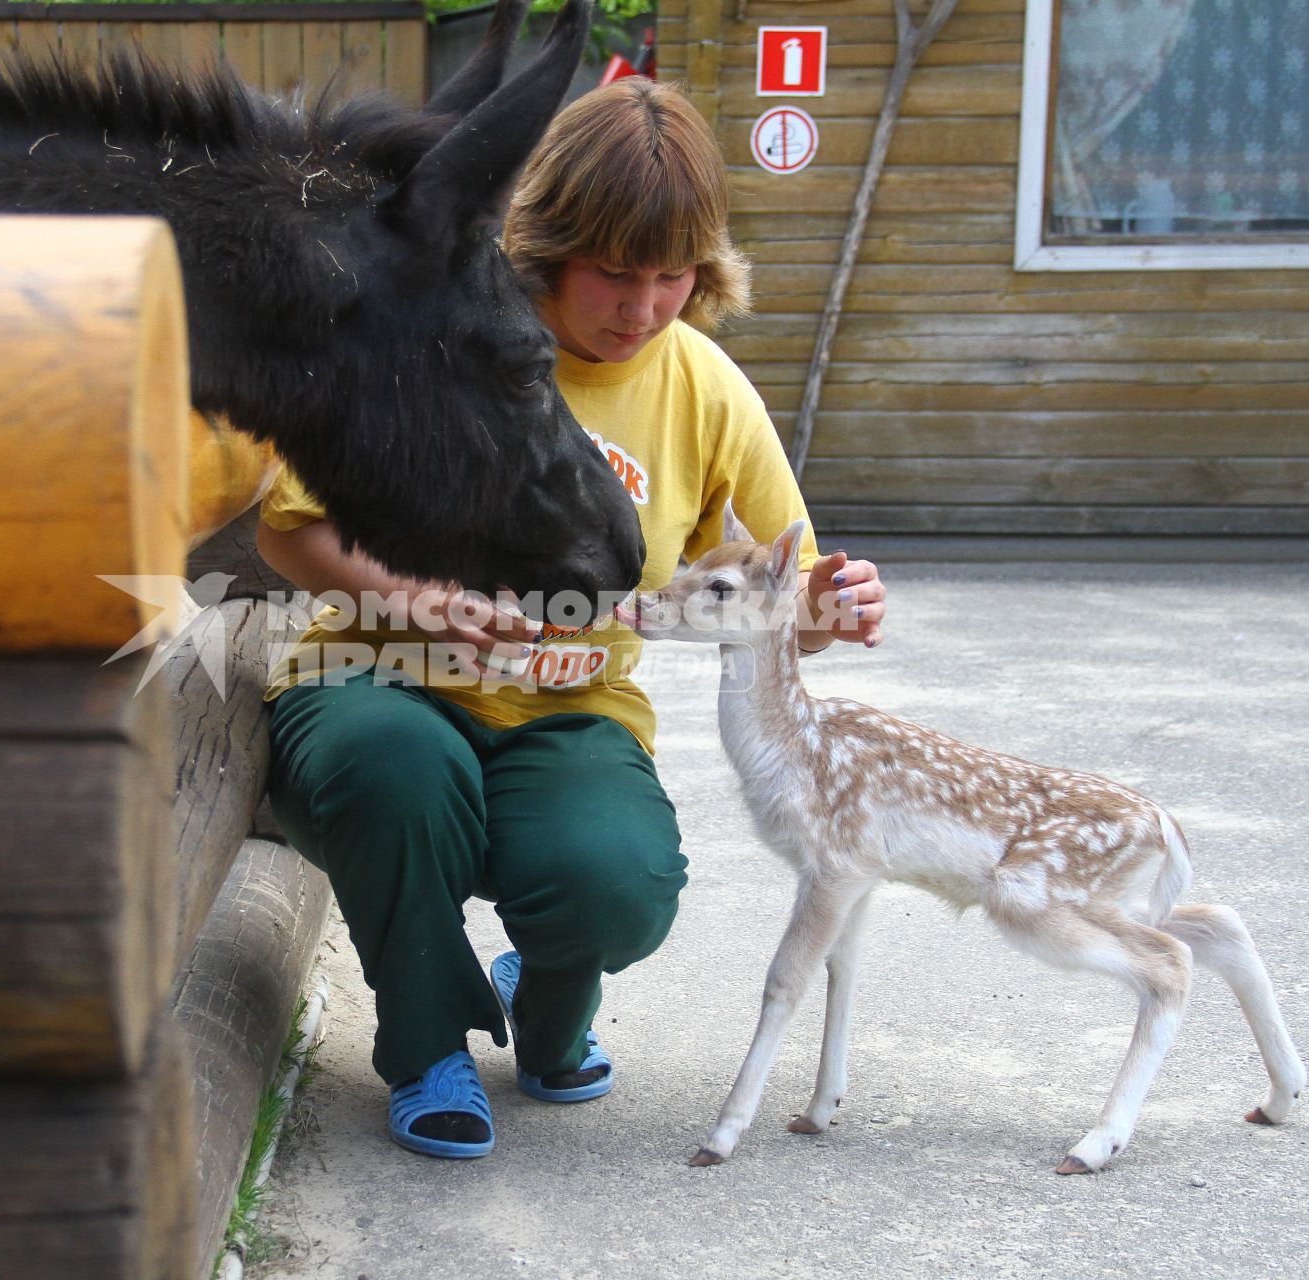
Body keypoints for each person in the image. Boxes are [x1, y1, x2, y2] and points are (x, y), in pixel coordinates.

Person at [255, 78, 887, 1160]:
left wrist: (838, 609)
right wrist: (415, 598)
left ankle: (547, 1002)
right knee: (397, 772)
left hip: (572, 706)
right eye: (614, 273)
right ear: (548, 245)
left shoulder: (707, 387)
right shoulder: (435, 335)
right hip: (373, 684)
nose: (643, 308)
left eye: (672, 275)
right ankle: (424, 1042)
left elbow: (794, 602)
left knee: (616, 880)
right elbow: (286, 527)